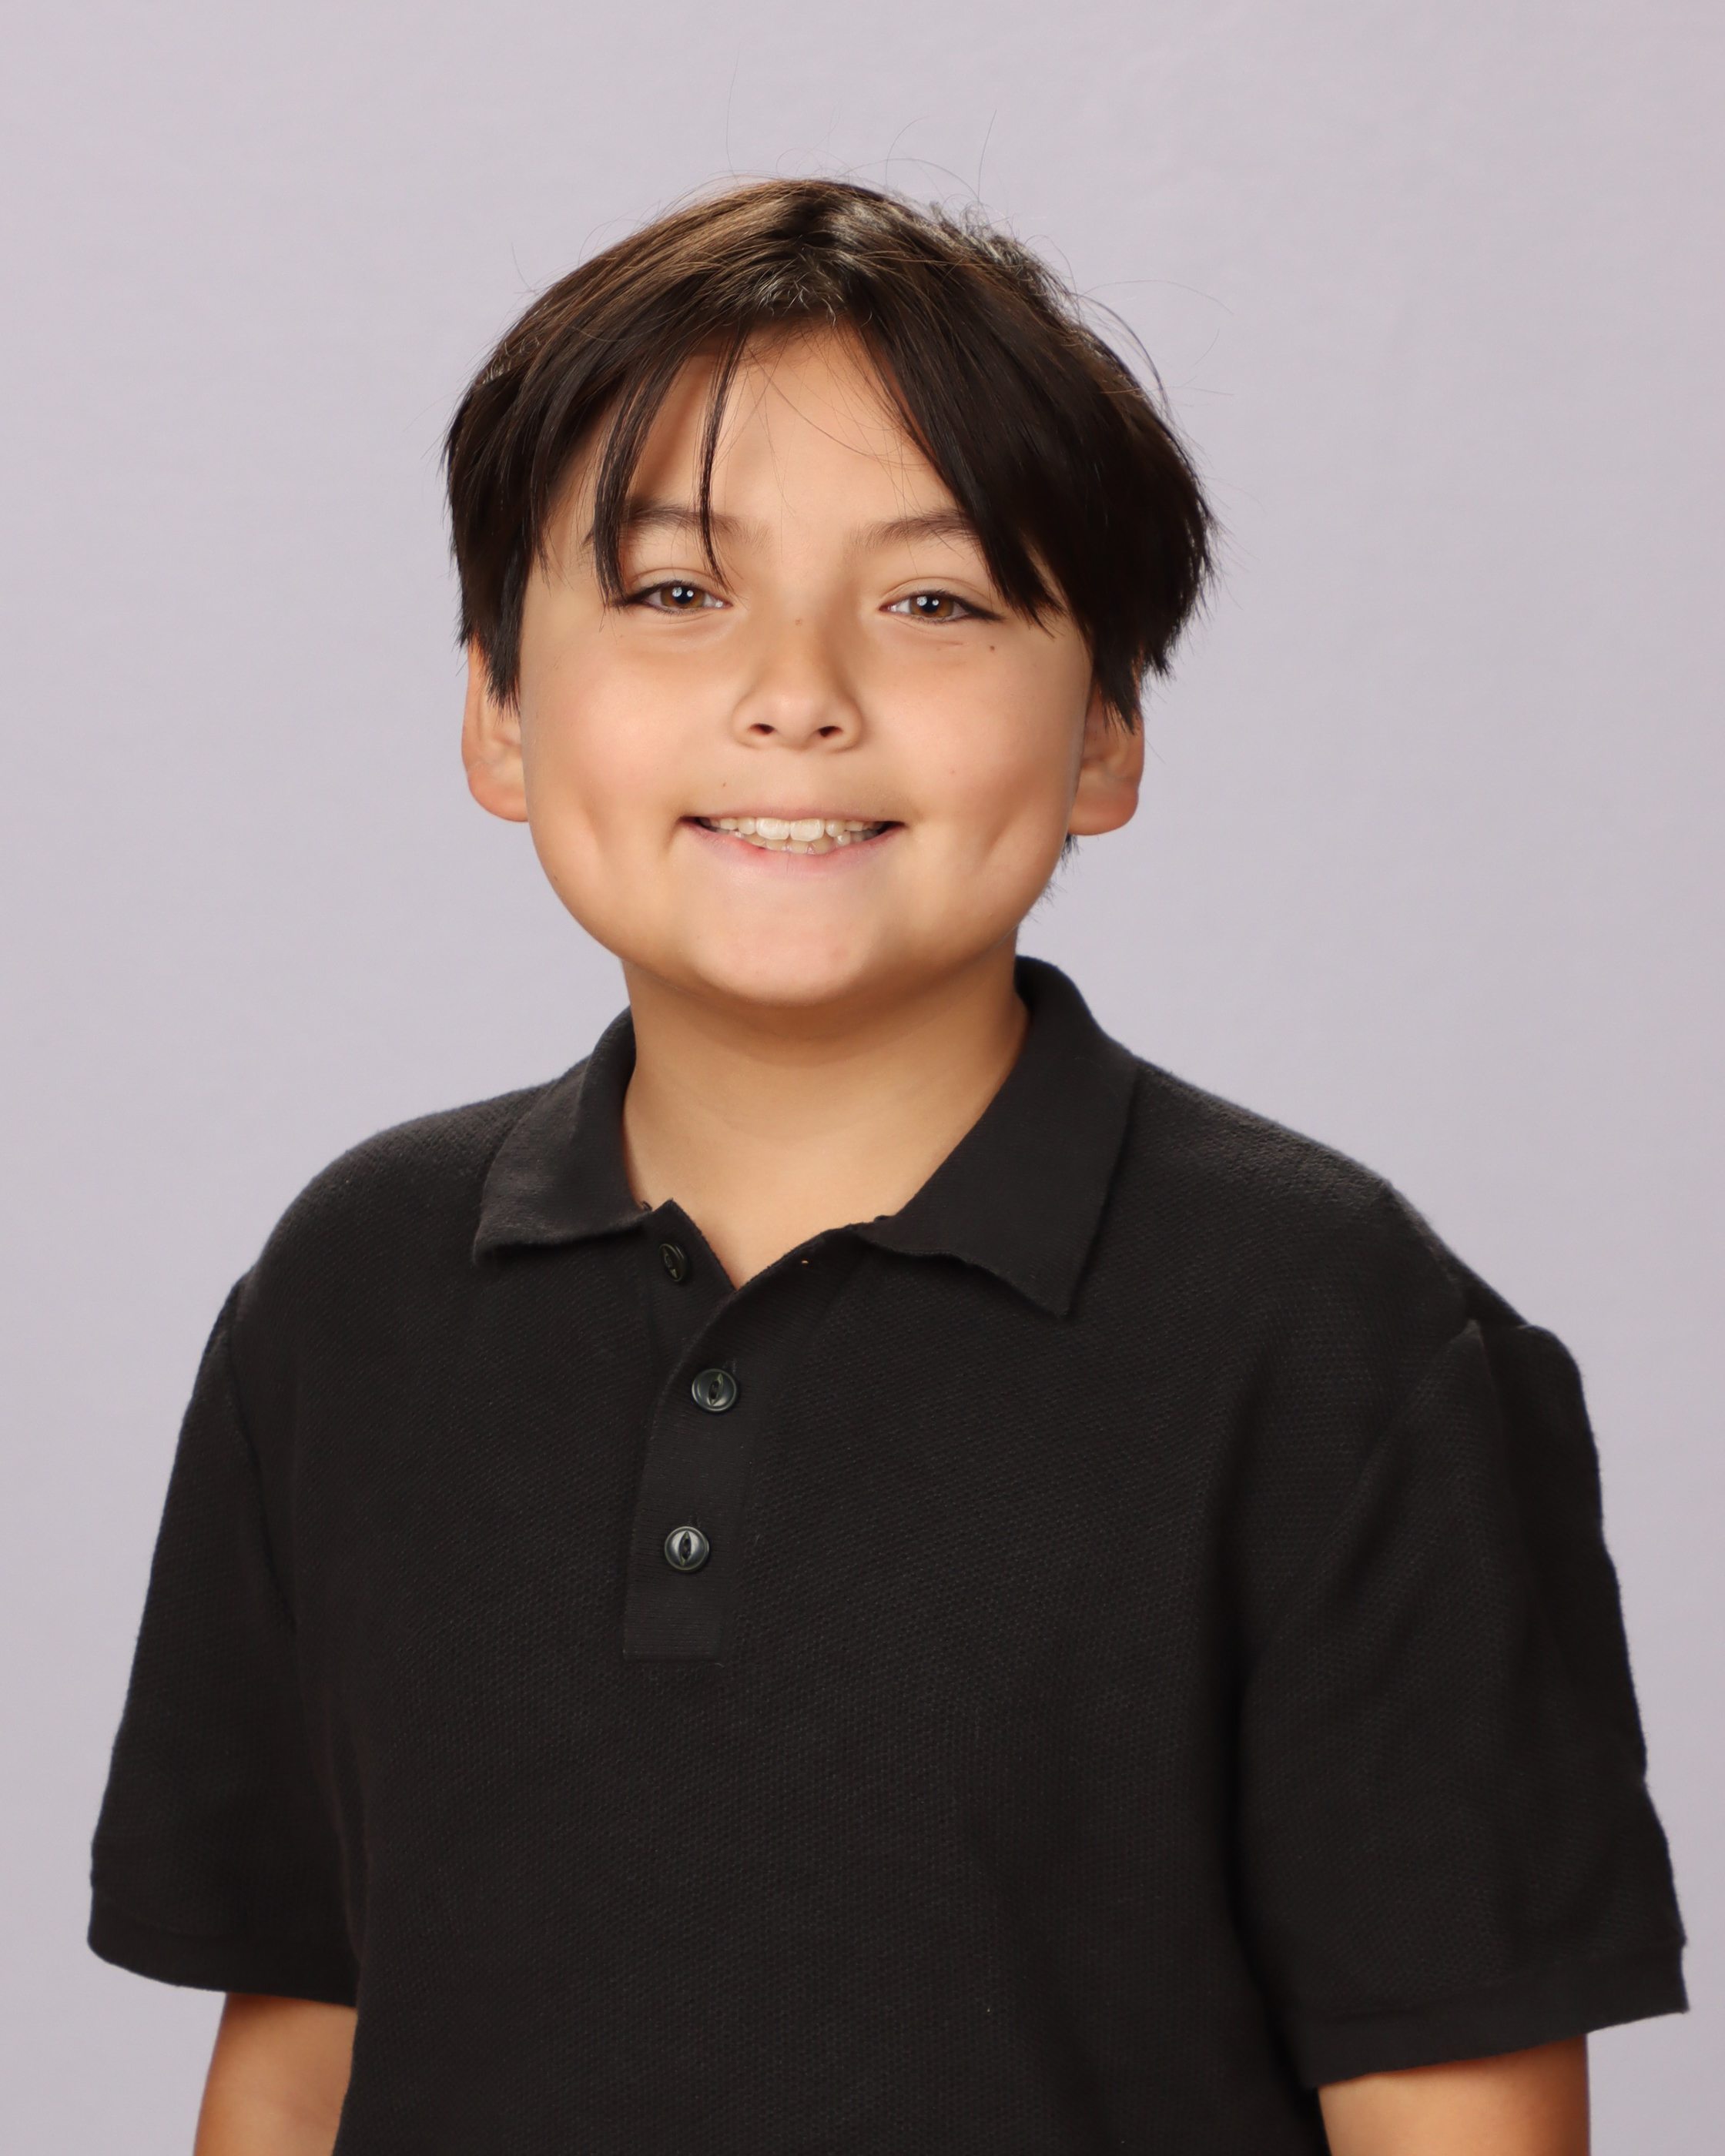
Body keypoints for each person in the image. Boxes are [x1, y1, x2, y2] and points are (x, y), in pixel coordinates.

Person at [90, 179, 1683, 2155]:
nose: (798, 692)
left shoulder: (1343, 1341)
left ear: (1104, 731)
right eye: (675, 592)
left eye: (934, 601)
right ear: (498, 708)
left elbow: (1457, 2119)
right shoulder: (352, 1294)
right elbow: (298, 2049)